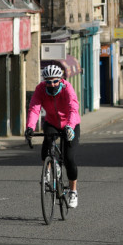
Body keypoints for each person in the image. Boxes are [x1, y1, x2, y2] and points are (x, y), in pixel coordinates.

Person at [25, 64, 81, 208]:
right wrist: (30, 127)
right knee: (46, 147)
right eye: (48, 82)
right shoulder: (40, 89)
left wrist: (70, 126)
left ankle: (73, 192)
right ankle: (50, 168)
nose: (52, 84)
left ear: (60, 80)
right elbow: (34, 108)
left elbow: (73, 108)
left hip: (70, 124)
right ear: (45, 81)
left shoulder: (67, 88)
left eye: (55, 81)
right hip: (51, 122)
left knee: (69, 158)